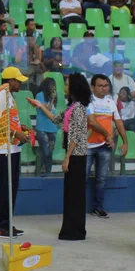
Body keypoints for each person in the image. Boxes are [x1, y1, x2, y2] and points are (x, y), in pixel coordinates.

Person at [0, 66, 31, 239]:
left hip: (12, 147)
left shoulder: (9, 97)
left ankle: (7, 223)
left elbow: (9, 120)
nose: (20, 83)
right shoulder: (0, 96)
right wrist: (15, 133)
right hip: (2, 147)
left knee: (12, 187)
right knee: (6, 187)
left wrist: (20, 128)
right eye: (18, 81)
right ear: (11, 81)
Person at [85, 74, 128, 218]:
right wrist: (108, 135)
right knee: (82, 177)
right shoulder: (88, 101)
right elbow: (92, 123)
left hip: (105, 146)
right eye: (100, 86)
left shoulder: (110, 102)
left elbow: (119, 122)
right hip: (88, 145)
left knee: (101, 179)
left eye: (106, 85)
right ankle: (77, 207)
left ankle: (98, 207)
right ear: (93, 87)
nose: (104, 88)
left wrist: (125, 141)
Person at [57, 74, 91, 240]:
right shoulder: (71, 106)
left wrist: (67, 157)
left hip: (76, 155)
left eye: (67, 84)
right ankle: (70, 228)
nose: (64, 86)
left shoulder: (79, 109)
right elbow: (57, 119)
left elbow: (76, 135)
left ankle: (75, 230)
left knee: (75, 194)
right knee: (70, 194)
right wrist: (40, 106)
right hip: (72, 154)